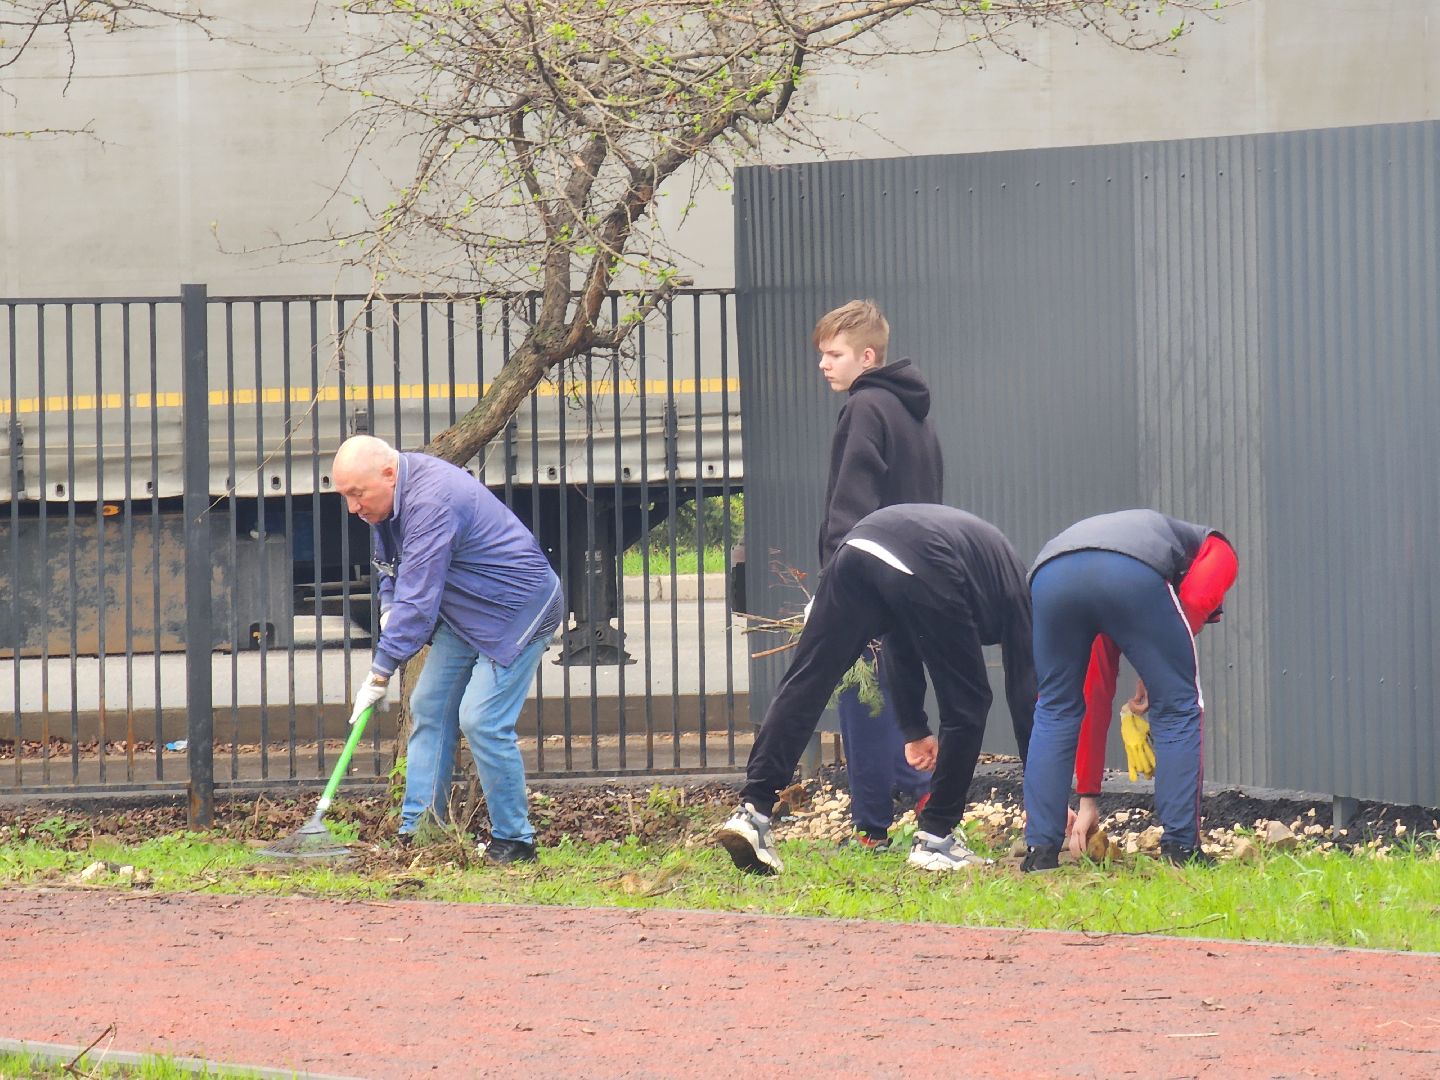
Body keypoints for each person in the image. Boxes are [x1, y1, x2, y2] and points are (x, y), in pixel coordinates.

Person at [716, 504, 1035, 874]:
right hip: (924, 555)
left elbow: (900, 640)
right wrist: (1045, 793)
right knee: (969, 702)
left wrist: (915, 729)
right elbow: (1026, 696)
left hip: (859, 547)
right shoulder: (1020, 595)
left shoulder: (989, 569)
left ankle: (752, 811)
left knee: (809, 677)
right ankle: (936, 838)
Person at [333, 435, 563, 863]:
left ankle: (516, 842)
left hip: (519, 610)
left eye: (356, 494)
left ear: (388, 474)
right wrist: (387, 608)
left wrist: (380, 672)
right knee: (429, 705)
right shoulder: (386, 503)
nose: (352, 508)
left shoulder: (431, 502)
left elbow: (418, 605)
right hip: (468, 612)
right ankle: (420, 831)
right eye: (345, 496)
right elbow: (390, 569)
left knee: (481, 719)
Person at [1021, 509, 1239, 871]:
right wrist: (1159, 670)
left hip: (1051, 573)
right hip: (1129, 573)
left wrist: (1088, 797)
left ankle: (1040, 852)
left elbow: (1095, 692)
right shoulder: (1216, 548)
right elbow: (1193, 606)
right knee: (1178, 706)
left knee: (1055, 707)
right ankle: (1181, 848)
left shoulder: (1130, 545)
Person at [811, 299, 945, 849]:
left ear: (867, 356)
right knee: (898, 689)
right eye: (822, 354)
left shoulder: (865, 406)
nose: (824, 364)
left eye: (834, 354)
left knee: (860, 696)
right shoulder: (915, 414)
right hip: (915, 572)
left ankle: (870, 827)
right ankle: (924, 790)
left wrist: (835, 578)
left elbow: (853, 497)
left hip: (868, 573)